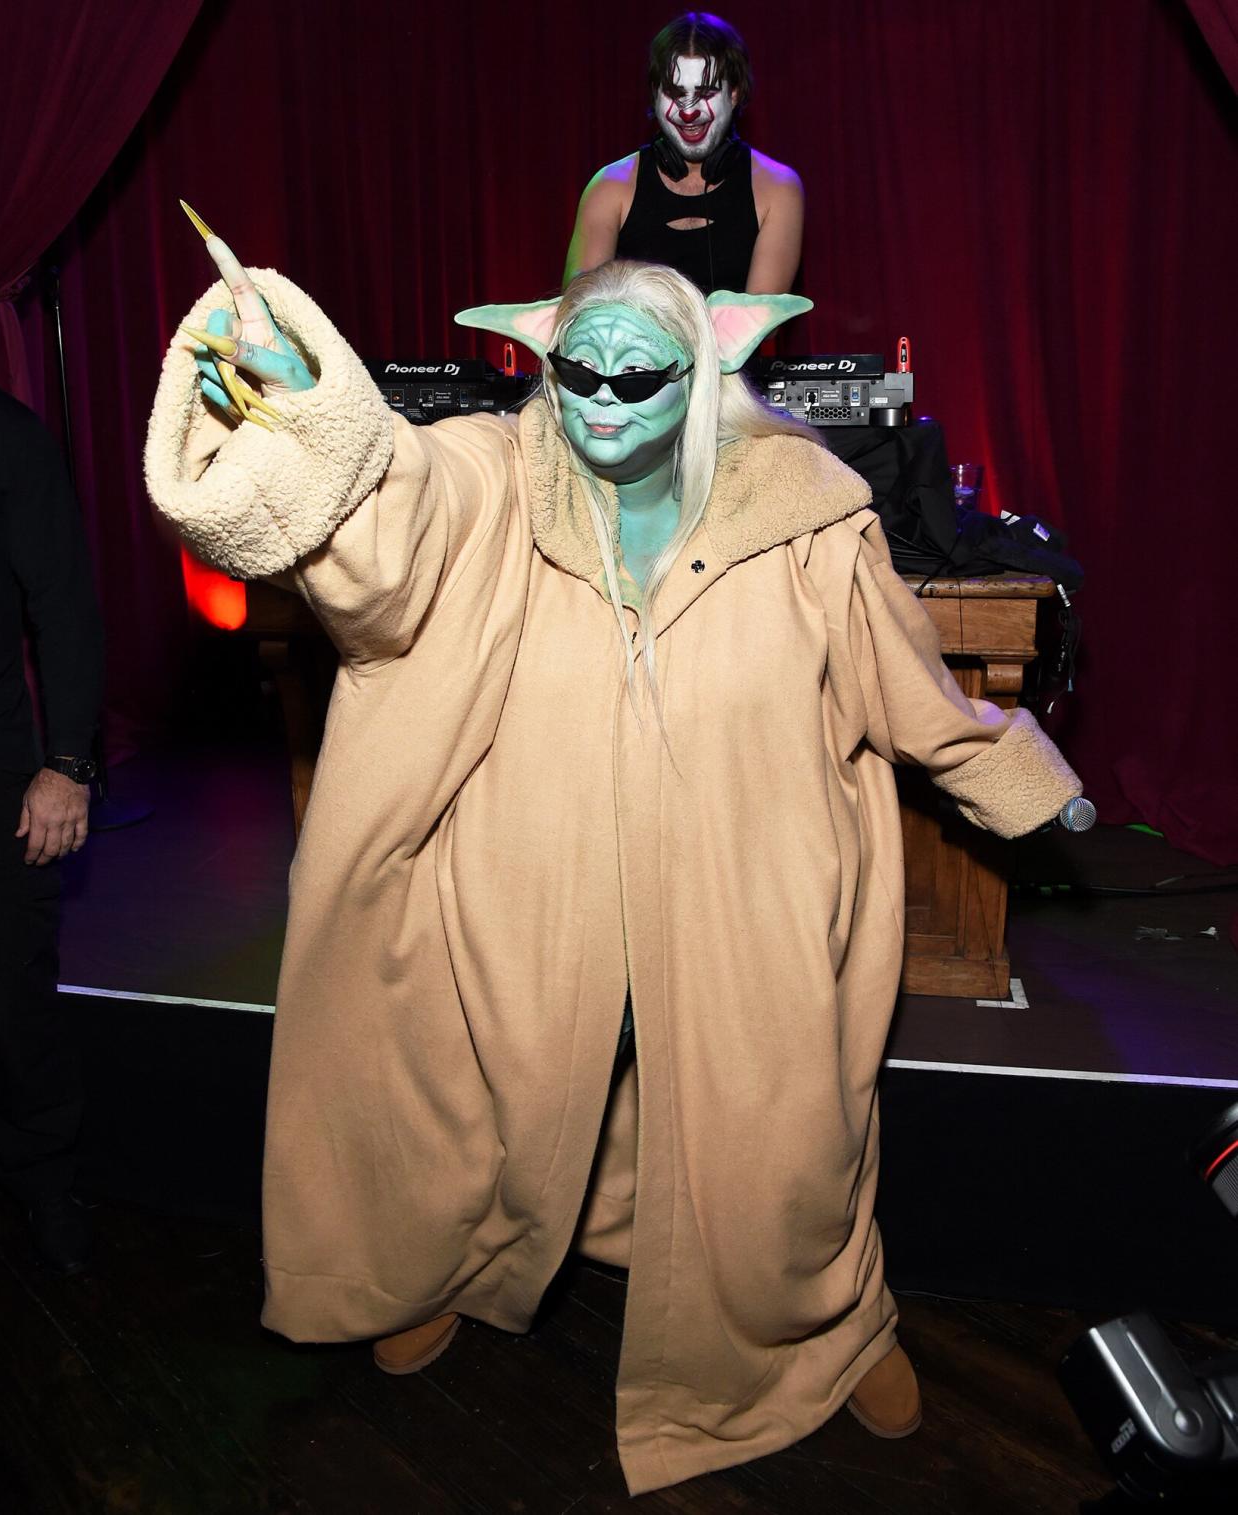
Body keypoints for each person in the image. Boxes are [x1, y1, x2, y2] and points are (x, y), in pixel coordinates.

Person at [145, 227, 1081, 1495]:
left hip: (746, 881)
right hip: (538, 874)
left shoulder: (805, 510)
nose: (599, 402)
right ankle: (458, 1267)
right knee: (504, 1083)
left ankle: (822, 1319)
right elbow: (395, 526)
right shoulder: (499, 474)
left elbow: (900, 678)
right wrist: (313, 411)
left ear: (700, 374)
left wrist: (1013, 776)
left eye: (636, 376)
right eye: (577, 373)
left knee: (786, 1126)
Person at [0, 385, 103, 1275]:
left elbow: (63, 603)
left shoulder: (6, 435)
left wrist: (66, 765)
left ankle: (43, 1180)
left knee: (13, 995)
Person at [564, 12, 804, 295]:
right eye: (675, 93)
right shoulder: (609, 186)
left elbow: (762, 320)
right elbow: (581, 309)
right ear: (655, 94)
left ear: (735, 93)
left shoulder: (777, 188)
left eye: (704, 93)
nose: (688, 112)